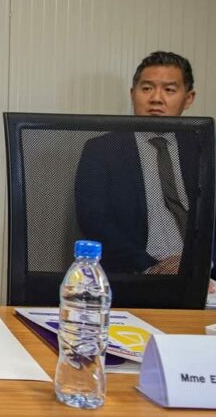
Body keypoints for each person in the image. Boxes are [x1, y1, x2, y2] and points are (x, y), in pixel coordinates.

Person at [75, 51, 198, 275]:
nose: (156, 99)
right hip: (137, 274)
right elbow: (94, 221)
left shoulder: (203, 150)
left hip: (203, 275)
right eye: (147, 88)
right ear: (133, 94)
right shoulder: (102, 150)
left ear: (188, 98)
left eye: (169, 90)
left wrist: (204, 265)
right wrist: (151, 267)